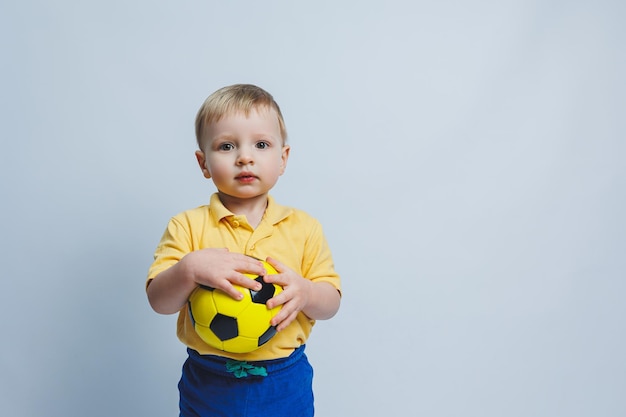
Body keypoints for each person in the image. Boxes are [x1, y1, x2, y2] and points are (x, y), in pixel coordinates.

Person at [146, 83, 342, 416]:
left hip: (283, 380)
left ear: (283, 159)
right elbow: (158, 301)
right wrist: (189, 269)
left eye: (261, 144)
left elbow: (331, 303)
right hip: (209, 381)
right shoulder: (187, 227)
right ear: (203, 163)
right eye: (226, 146)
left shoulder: (304, 228)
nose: (245, 157)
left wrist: (306, 292)